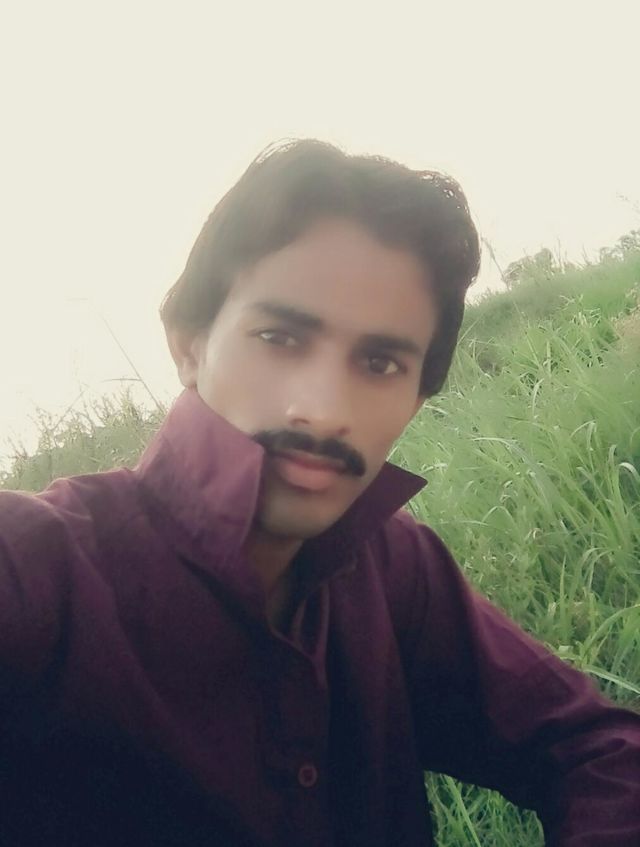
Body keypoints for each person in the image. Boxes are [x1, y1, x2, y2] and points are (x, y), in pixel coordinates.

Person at [0, 139, 638, 847]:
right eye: (279, 337)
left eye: (380, 362)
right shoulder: (40, 569)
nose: (325, 409)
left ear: (417, 397)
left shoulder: (395, 568)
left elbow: (597, 747)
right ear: (189, 343)